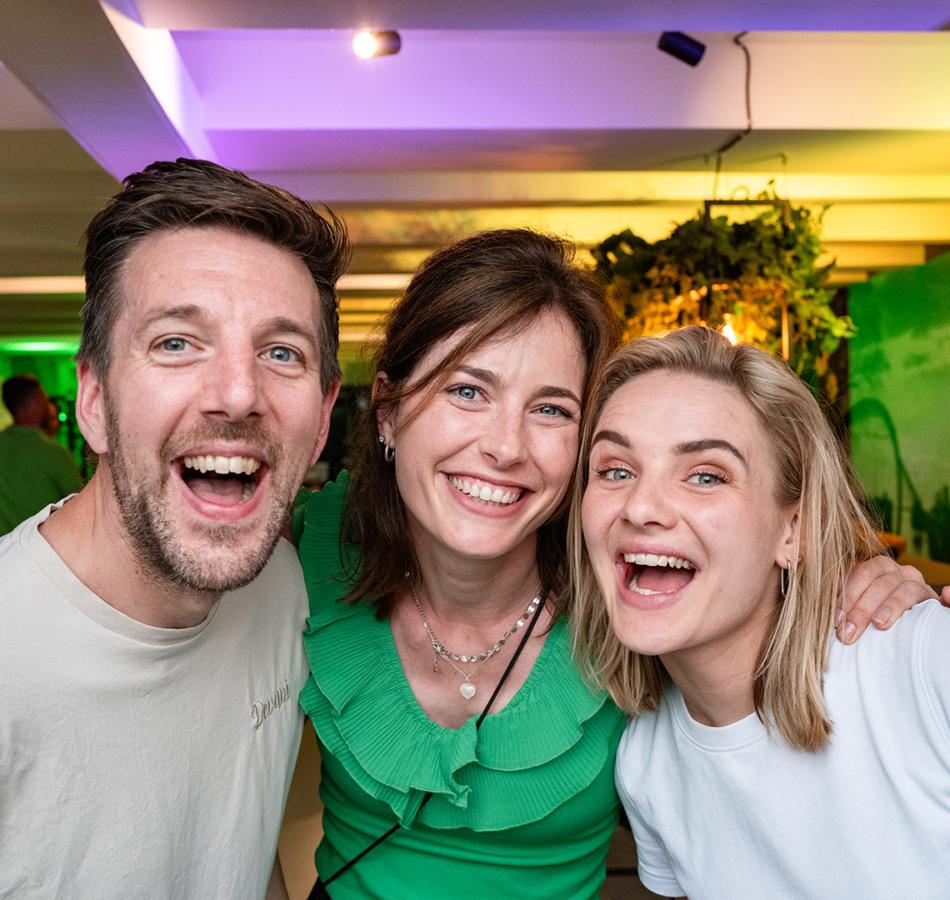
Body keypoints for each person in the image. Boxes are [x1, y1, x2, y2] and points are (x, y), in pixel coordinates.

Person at [292, 231, 938, 899]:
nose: (506, 447)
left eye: (550, 409)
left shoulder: (631, 605)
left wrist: (874, 587)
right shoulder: (301, 551)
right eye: (467, 391)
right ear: (388, 411)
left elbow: (747, 585)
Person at [0, 158, 348, 898]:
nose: (238, 393)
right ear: (94, 401)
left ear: (323, 419)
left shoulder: (282, 588)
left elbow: (238, 854)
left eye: (281, 352)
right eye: (176, 343)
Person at [572, 326, 950, 899]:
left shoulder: (921, 664)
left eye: (706, 476)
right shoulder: (646, 764)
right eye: (615, 470)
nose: (641, 506)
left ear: (793, 530)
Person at [0, 374, 83, 534]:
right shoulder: (55, 454)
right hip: (42, 546)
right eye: (44, 399)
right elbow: (80, 508)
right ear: (34, 403)